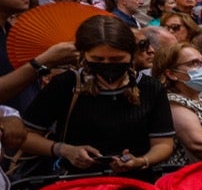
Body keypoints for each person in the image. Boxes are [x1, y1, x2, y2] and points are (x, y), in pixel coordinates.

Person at [18, 14, 177, 175]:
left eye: (117, 59)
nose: (107, 64)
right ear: (84, 55)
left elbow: (163, 143)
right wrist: (64, 150)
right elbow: (26, 136)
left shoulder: (151, 88)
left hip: (137, 184)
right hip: (76, 184)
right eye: (97, 58)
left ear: (132, 54)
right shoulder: (65, 84)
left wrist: (141, 161)